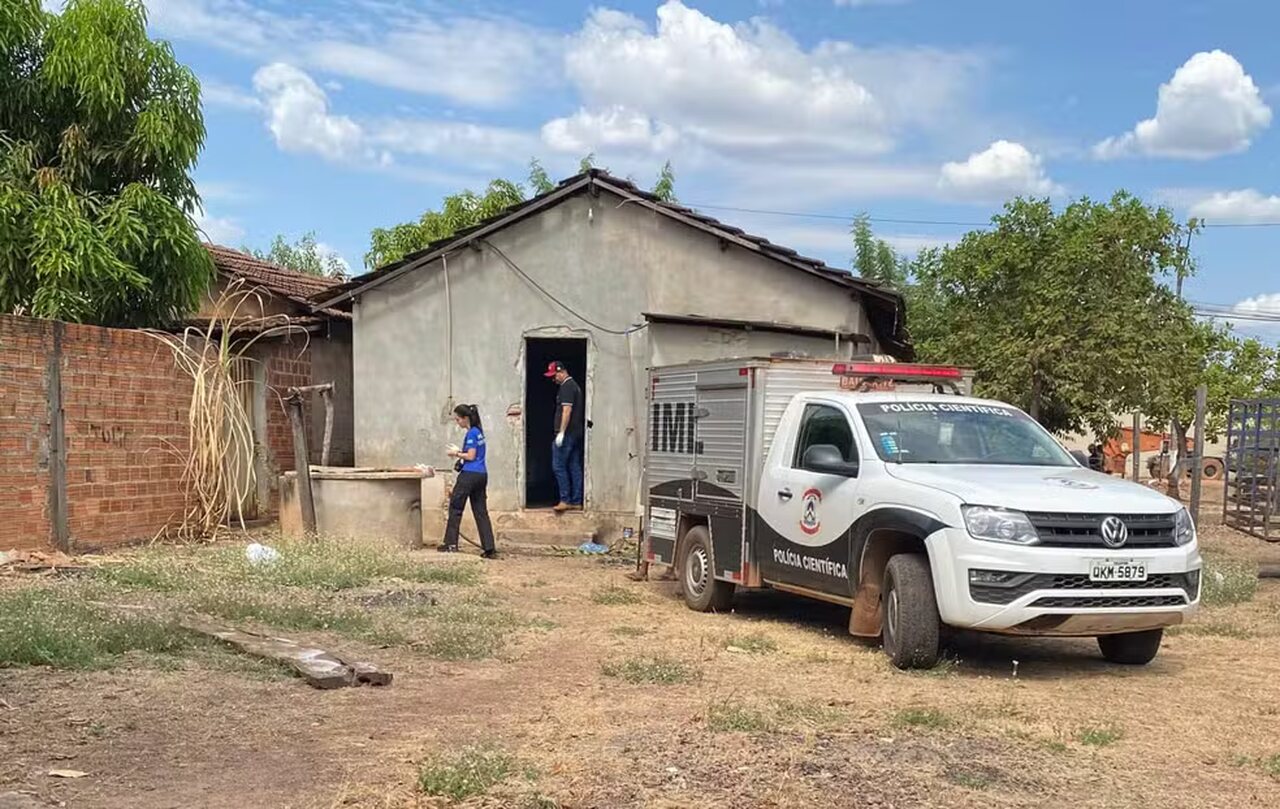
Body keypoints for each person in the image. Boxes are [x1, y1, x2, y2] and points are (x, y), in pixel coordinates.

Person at [441, 404, 497, 558]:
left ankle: (451, 544)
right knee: (481, 512)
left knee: (455, 507)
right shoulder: (479, 432)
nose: (457, 422)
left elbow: (471, 456)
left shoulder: (471, 433)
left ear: (465, 418)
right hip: (481, 475)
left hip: (469, 475)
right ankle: (489, 548)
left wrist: (456, 453)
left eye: (458, 419)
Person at [544, 360, 584, 512]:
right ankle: (576, 500)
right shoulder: (575, 386)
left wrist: (561, 432)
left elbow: (566, 411)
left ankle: (565, 499)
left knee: (558, 466)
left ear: (561, 372)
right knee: (574, 465)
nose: (554, 379)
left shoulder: (567, 387)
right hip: (575, 433)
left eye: (554, 376)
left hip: (567, 434)